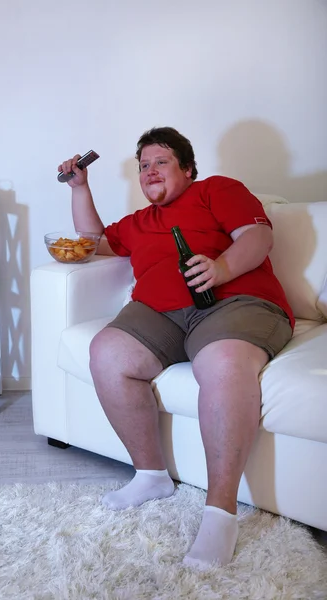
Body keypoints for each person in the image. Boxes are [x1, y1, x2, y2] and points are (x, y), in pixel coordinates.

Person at [58, 127, 294, 570]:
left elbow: (258, 238)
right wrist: (80, 187)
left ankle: (220, 513)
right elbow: (92, 241)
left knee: (223, 362)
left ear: (187, 168)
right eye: (142, 165)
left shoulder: (218, 191)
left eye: (160, 161)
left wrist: (221, 267)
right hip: (161, 313)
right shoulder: (139, 222)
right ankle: (150, 475)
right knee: (107, 351)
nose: (149, 171)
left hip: (235, 302)